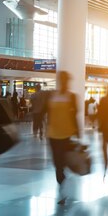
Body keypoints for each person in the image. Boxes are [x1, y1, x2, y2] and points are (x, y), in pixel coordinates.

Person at [46, 71, 80, 200]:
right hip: (52, 133)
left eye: (65, 79)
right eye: (62, 79)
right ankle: (62, 181)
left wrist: (78, 131)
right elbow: (49, 113)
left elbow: (75, 114)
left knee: (61, 161)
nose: (63, 82)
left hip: (66, 133)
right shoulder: (52, 95)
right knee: (57, 162)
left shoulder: (71, 96)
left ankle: (62, 186)